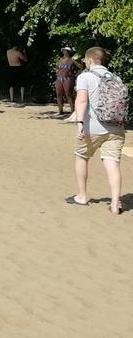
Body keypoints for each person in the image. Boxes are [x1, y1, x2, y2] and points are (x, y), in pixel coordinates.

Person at [66, 46, 127, 214]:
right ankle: (115, 203)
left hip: (92, 127)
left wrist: (79, 123)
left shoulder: (85, 77)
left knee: (81, 157)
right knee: (113, 163)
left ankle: (82, 196)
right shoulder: (116, 78)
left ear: (89, 60)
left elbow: (81, 100)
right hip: (116, 127)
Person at [55, 47, 79, 116]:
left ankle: (73, 112)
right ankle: (60, 111)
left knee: (69, 95)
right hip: (59, 79)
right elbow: (57, 69)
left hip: (68, 79)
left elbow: (79, 69)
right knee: (59, 95)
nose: (64, 52)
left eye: (65, 51)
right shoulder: (60, 60)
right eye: (63, 51)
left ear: (68, 52)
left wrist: (74, 76)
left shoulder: (72, 61)